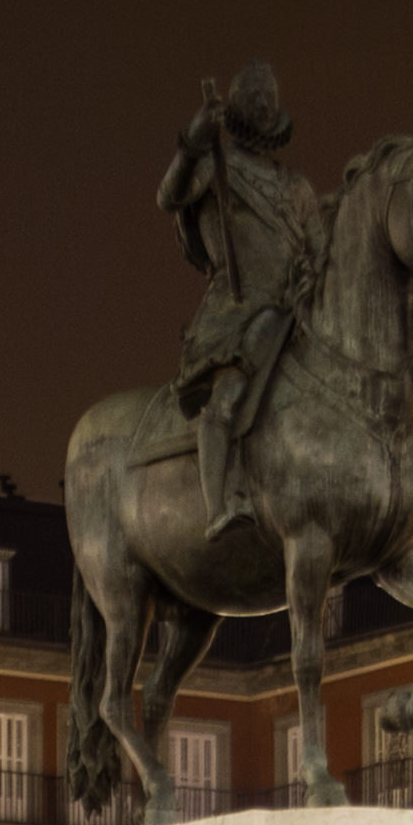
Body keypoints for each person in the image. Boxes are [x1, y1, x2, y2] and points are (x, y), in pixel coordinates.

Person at [158, 60, 319, 546]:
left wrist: (313, 273)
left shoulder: (297, 187)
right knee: (228, 394)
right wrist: (192, 140)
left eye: (270, 100)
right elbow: (168, 196)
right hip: (237, 312)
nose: (265, 107)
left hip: (293, 313)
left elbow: (319, 246)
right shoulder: (216, 166)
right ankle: (218, 505)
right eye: (257, 102)